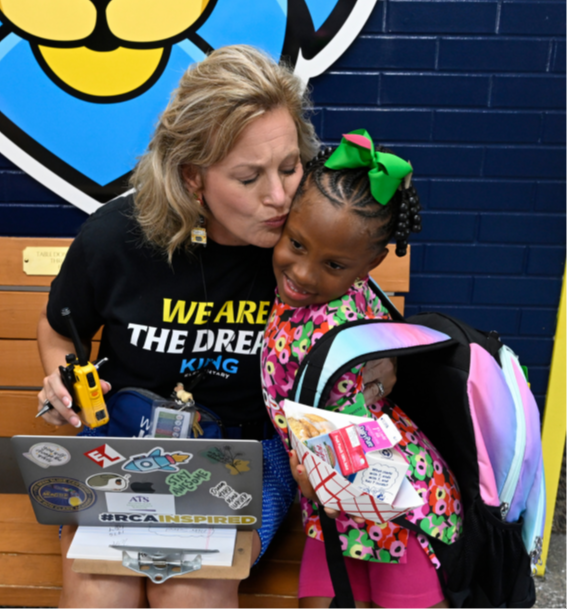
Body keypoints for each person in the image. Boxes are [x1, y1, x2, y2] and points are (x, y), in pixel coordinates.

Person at [36, 47, 397, 609]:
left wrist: (377, 368)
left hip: (246, 454)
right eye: (249, 178)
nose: (278, 198)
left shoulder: (306, 249)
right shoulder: (117, 238)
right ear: (192, 177)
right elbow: (59, 328)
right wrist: (60, 378)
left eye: (289, 167)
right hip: (127, 448)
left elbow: (368, 333)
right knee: (100, 587)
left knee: (189, 584)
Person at [261, 131, 463, 609]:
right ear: (286, 220)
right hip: (334, 502)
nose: (304, 274)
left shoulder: (338, 322)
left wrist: (320, 468)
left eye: (332, 263)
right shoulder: (341, 287)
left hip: (391, 499)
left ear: (368, 263)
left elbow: (356, 421)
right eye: (296, 244)